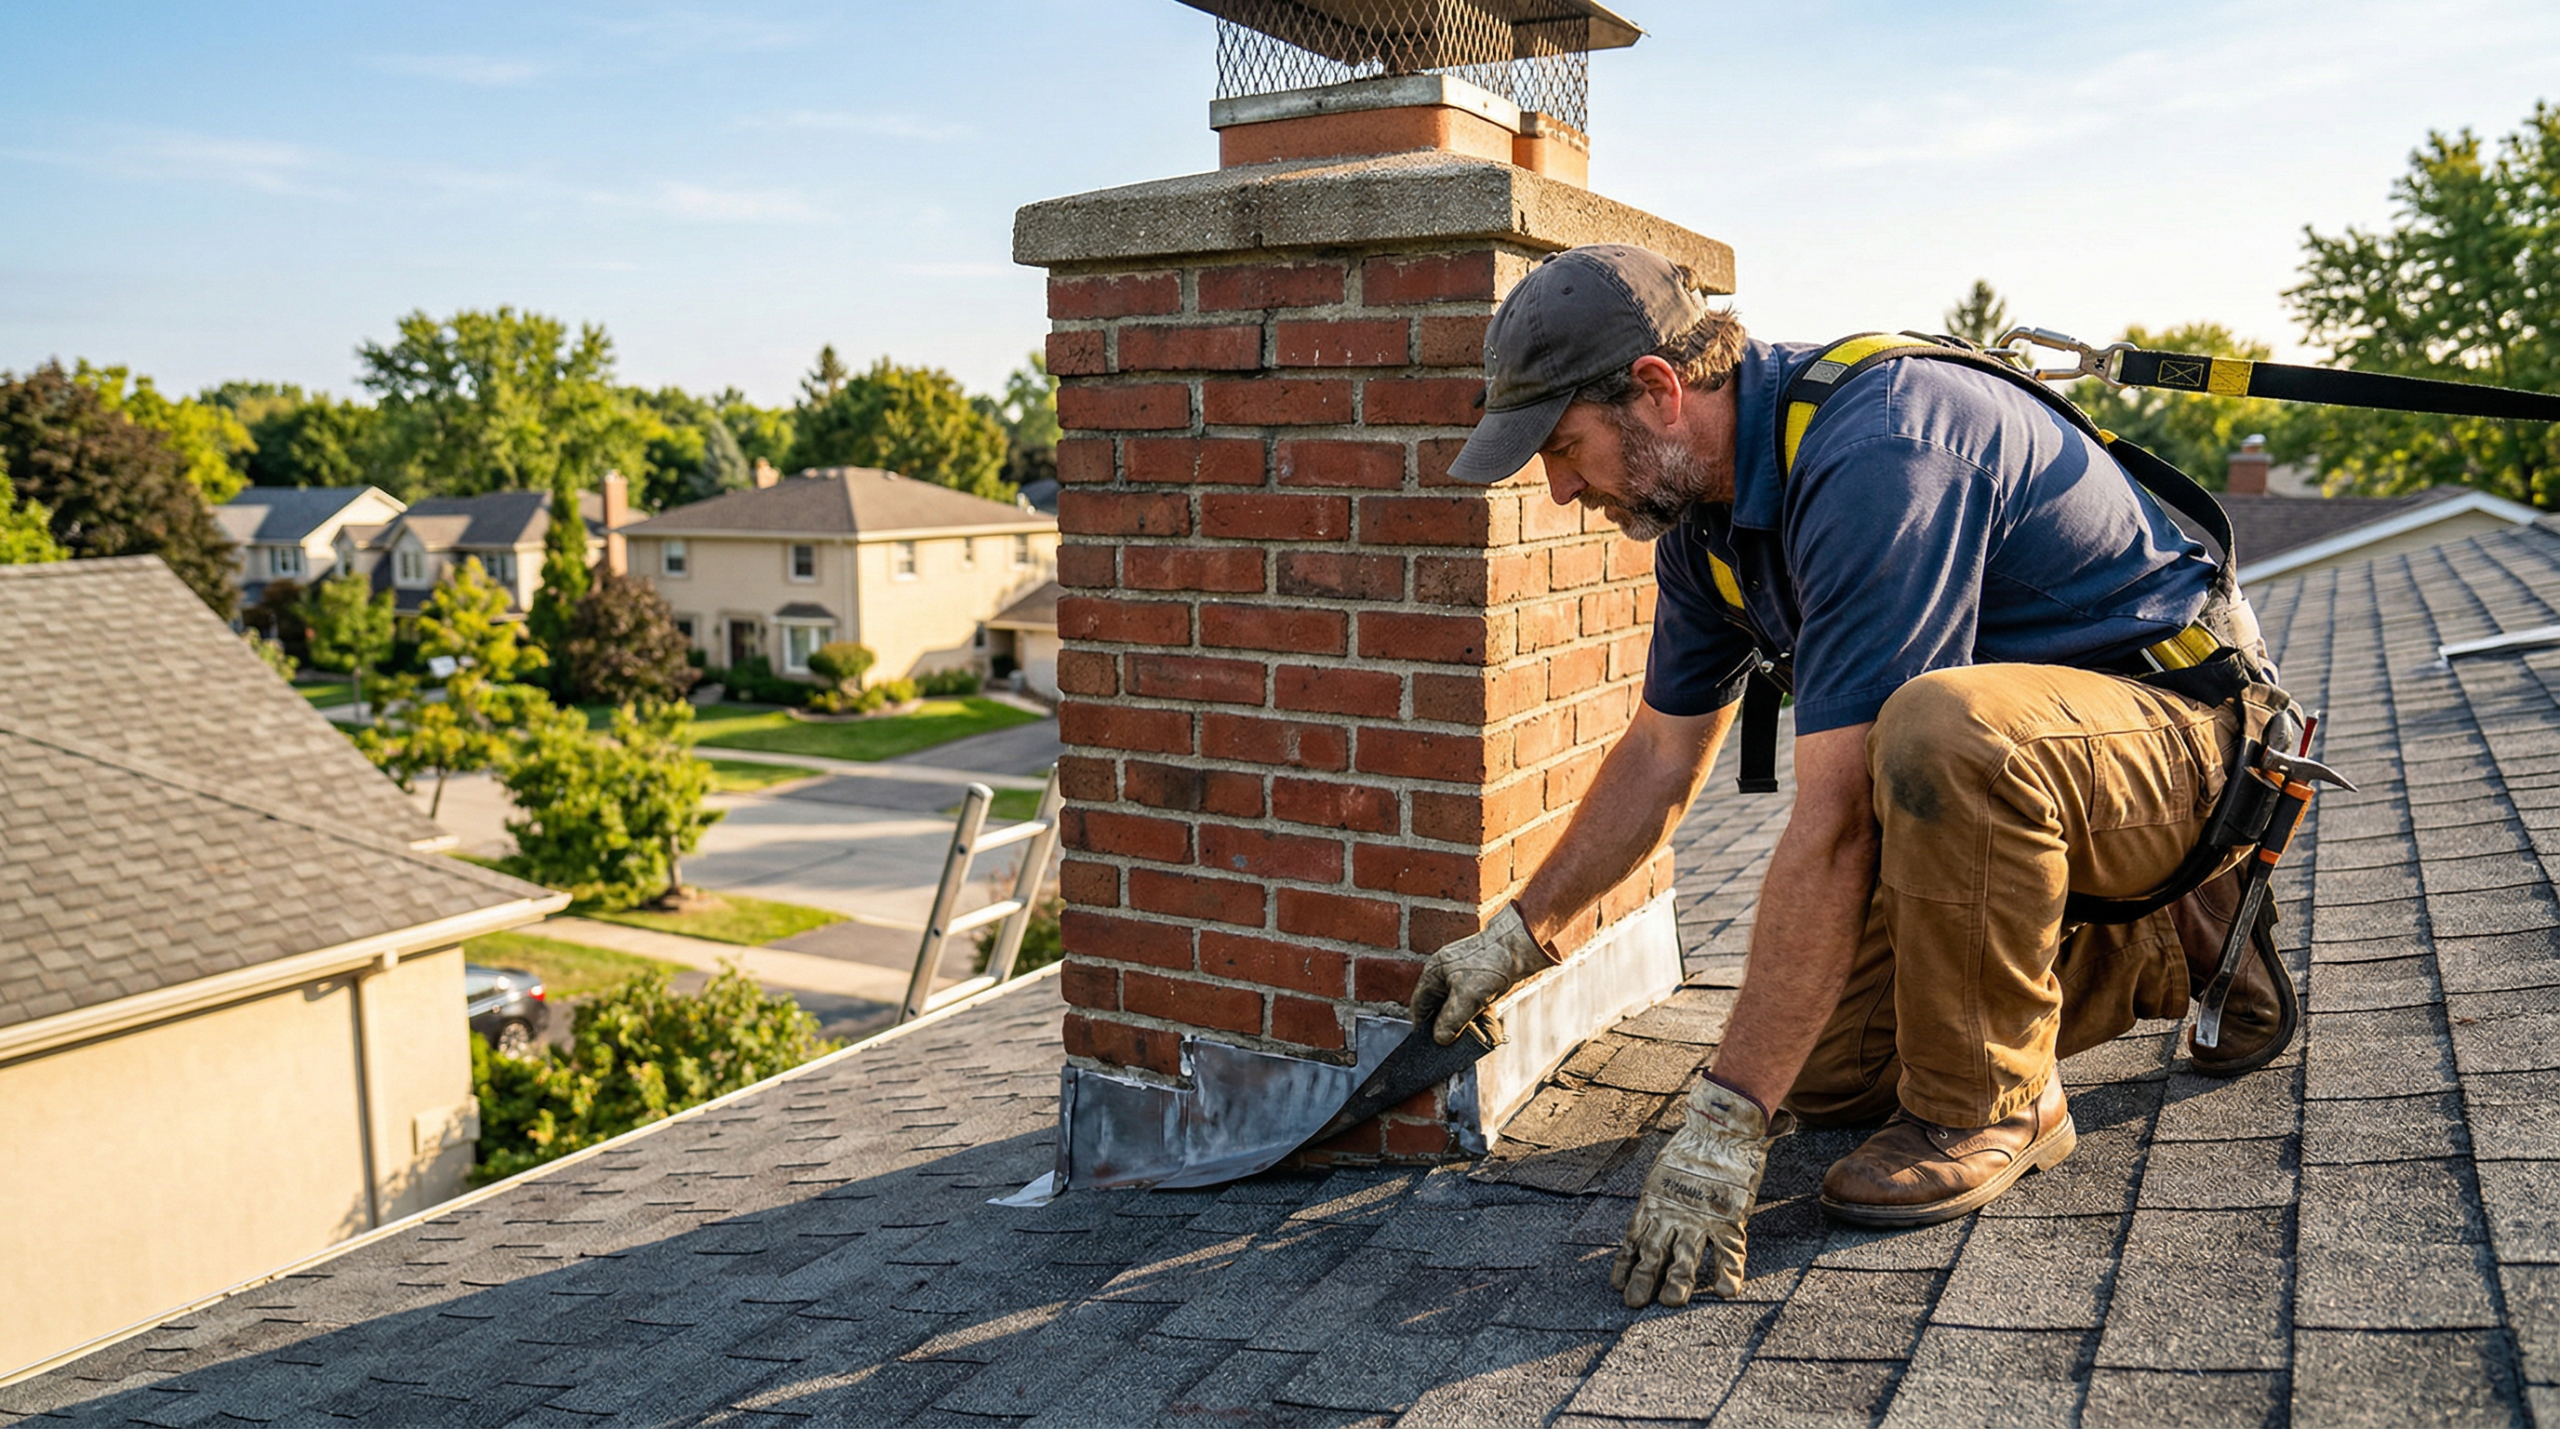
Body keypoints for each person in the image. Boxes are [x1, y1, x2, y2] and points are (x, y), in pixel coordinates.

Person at [1408, 245, 2294, 1309]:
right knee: (1825, 1073)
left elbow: (1836, 824)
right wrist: (1517, 937)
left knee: (1934, 730)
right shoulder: (1708, 534)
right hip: (2048, 775)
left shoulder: (1878, 452)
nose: (1557, 490)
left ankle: (1999, 1102)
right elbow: (1658, 758)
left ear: (1654, 390)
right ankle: (2143, 947)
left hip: (2182, 742)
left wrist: (1727, 1120)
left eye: (1563, 448)